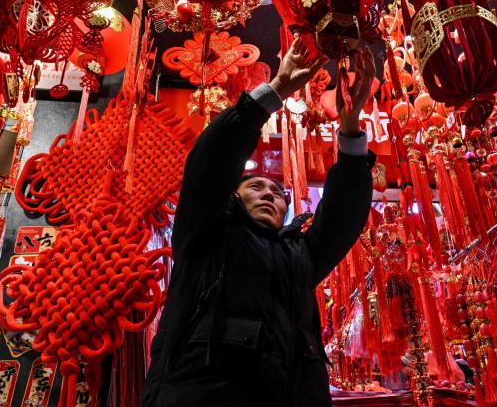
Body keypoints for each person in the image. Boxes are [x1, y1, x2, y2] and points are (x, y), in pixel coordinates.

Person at [141, 38, 377, 407]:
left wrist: (350, 130)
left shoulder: (298, 254)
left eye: (277, 193)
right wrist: (277, 90)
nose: (270, 194)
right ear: (233, 196)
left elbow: (342, 218)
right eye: (255, 186)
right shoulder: (205, 235)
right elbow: (211, 161)